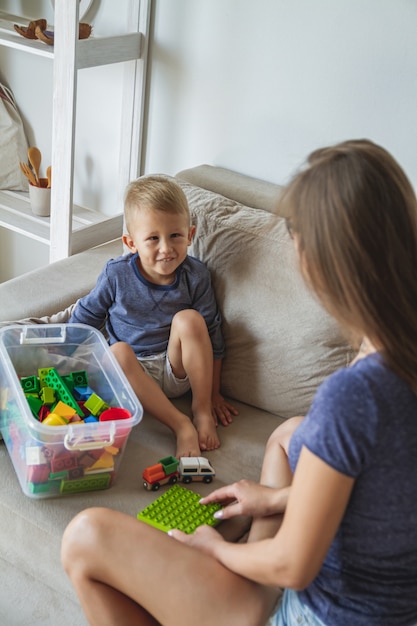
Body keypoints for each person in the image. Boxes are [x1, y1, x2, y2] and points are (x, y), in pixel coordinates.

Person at [62, 140, 417, 625]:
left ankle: (242, 582)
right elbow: (384, 483)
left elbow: (292, 566)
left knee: (85, 536)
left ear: (325, 264)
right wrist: (275, 498)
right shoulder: (397, 356)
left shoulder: (353, 395)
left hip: (317, 612)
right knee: (291, 433)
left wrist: (215, 549)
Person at [68, 175, 237, 458]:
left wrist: (213, 394)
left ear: (190, 235)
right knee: (118, 351)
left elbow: (213, 336)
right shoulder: (116, 274)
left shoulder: (196, 276)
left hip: (176, 370)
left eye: (175, 236)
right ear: (131, 242)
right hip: (131, 377)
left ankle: (200, 411)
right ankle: (180, 424)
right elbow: (85, 317)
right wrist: (65, 359)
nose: (166, 249)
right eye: (152, 239)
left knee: (190, 320)